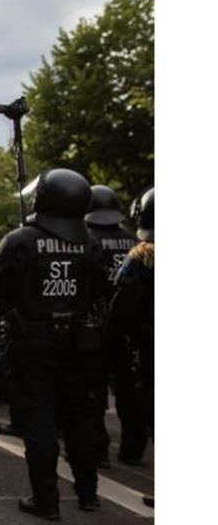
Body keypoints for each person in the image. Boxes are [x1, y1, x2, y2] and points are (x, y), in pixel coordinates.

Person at [0, 169, 109, 519]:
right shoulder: (90, 243)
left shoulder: (20, 241)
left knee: (39, 420)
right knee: (79, 420)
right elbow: (102, 291)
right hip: (80, 344)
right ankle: (88, 494)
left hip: (32, 342)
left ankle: (47, 500)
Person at [85, 184, 138, 467]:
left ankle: (97, 449)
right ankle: (132, 449)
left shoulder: (86, 240)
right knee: (129, 389)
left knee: (93, 389)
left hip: (96, 323)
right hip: (131, 327)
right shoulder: (133, 242)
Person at [107, 188, 154, 467]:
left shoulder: (141, 258)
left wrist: (110, 336)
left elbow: (124, 305)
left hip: (146, 345)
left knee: (143, 403)